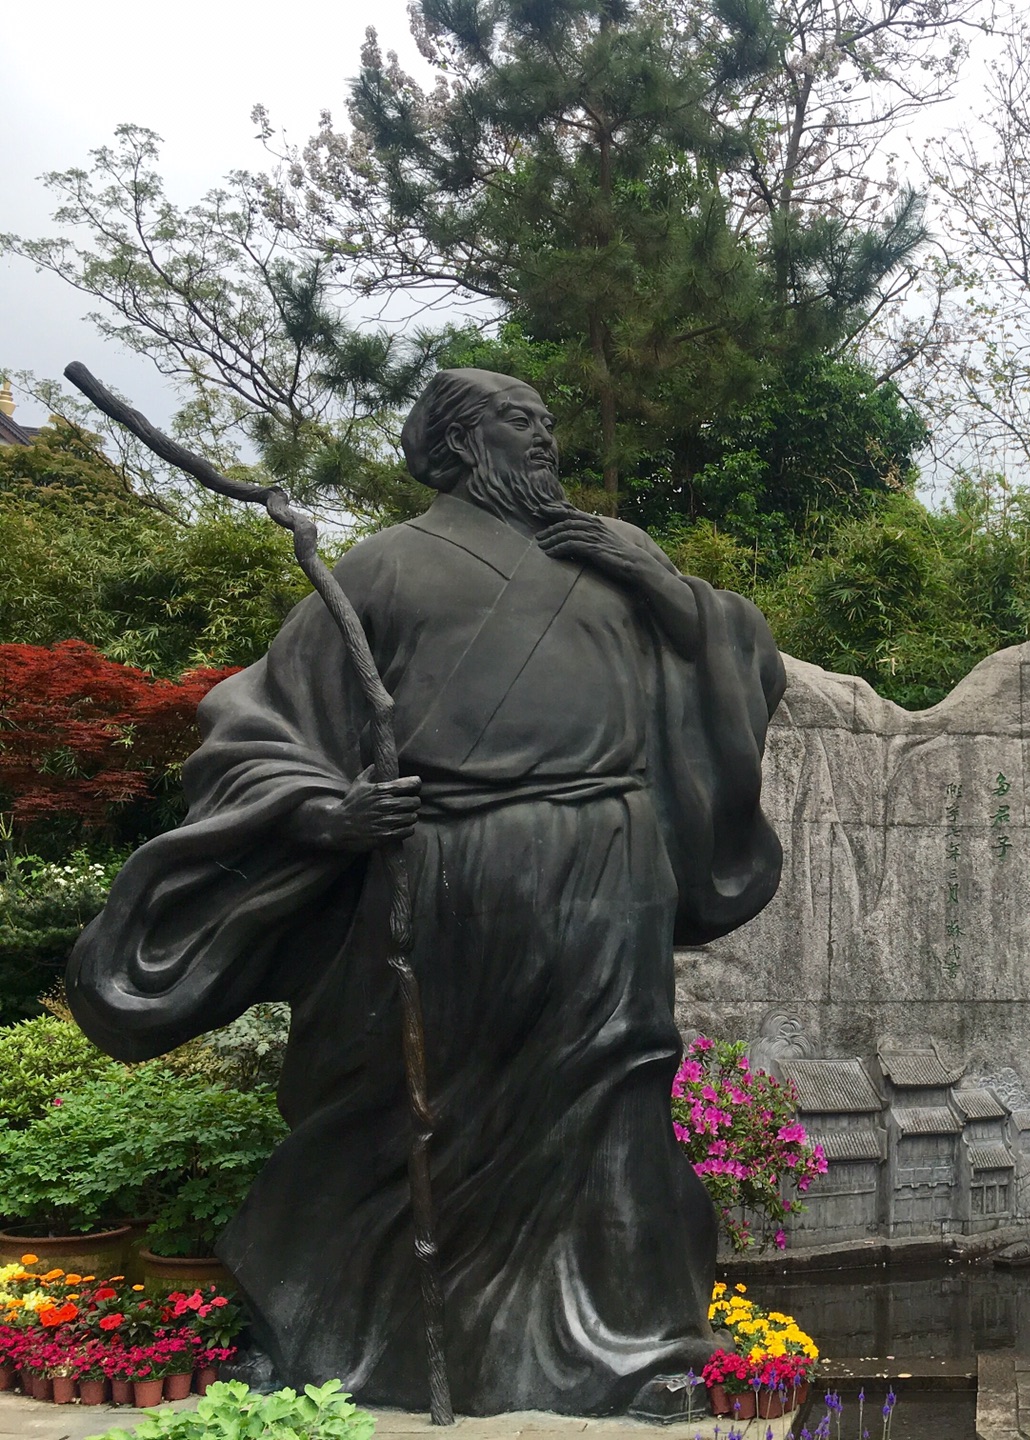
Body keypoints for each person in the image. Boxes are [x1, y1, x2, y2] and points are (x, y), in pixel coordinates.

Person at [67, 370, 786, 1417]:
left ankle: (629, 1350)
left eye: (547, 423)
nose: (543, 440)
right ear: (456, 443)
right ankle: (345, 1335)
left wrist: (668, 592)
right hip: (449, 868)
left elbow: (741, 664)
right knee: (401, 1114)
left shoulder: (609, 557)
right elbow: (263, 728)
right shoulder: (385, 568)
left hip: (608, 868)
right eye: (518, 423)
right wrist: (326, 813)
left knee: (611, 1098)